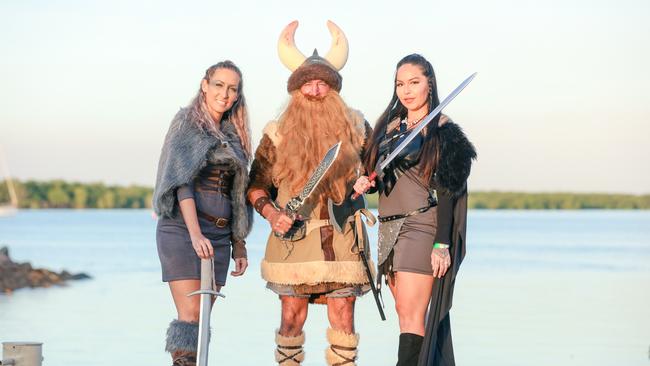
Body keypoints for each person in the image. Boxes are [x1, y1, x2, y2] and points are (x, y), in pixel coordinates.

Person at [247, 20, 374, 366]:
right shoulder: (277, 134)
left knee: (344, 314)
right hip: (293, 240)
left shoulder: (358, 129)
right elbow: (256, 185)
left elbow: (380, 170)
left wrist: (368, 181)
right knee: (291, 316)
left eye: (323, 83)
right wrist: (272, 214)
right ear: (296, 90)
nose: (316, 90)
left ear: (334, 90)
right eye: (308, 84)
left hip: (344, 238)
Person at [353, 54, 476, 366]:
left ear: (429, 84)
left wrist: (442, 243)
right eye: (400, 84)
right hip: (388, 229)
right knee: (407, 317)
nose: (406, 90)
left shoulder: (441, 129)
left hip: (420, 227)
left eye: (414, 82)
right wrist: (364, 183)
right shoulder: (389, 129)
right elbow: (381, 179)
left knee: (411, 318)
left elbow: (449, 189)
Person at [152, 60, 253, 366]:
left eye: (232, 88)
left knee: (203, 318)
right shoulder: (186, 123)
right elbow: (181, 183)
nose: (225, 93)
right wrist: (195, 234)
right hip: (182, 232)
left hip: (220, 238)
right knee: (191, 315)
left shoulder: (234, 136)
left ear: (237, 95)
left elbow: (237, 194)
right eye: (219, 85)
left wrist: (239, 244)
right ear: (204, 85)